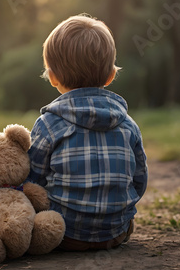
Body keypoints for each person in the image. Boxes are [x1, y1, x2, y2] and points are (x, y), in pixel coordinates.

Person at [26, 14, 148, 251]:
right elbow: (139, 180)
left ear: (52, 77)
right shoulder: (128, 124)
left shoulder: (48, 124)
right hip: (115, 232)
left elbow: (33, 179)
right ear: (112, 75)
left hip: (63, 233)